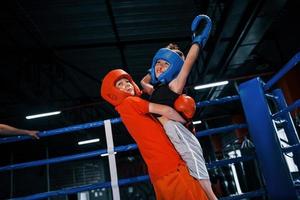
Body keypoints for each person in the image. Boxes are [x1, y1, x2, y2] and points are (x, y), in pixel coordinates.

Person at [140, 15, 218, 200]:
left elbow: (188, 63)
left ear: (173, 68)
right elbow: (143, 82)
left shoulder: (174, 86)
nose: (160, 66)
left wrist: (198, 42)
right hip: (166, 135)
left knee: (195, 164)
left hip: (177, 130)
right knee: (186, 172)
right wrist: (153, 70)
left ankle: (213, 197)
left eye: (165, 64)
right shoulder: (155, 90)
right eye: (157, 63)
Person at [101, 69, 208, 200]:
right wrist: (185, 123)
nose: (126, 85)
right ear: (113, 93)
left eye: (127, 81)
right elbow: (166, 110)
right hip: (171, 164)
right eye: (120, 84)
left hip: (159, 170)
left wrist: (151, 72)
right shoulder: (130, 102)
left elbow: (144, 86)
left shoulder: (125, 109)